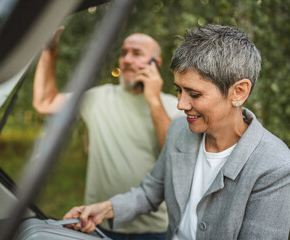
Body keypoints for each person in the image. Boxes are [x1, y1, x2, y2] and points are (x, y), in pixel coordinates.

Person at [62, 24, 290, 240]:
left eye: (194, 94)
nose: (181, 104)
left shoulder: (275, 166)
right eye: (179, 90)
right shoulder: (180, 129)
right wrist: (105, 209)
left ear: (238, 92)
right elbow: (149, 192)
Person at [33, 28, 183, 239]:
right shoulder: (98, 97)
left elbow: (174, 155)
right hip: (100, 223)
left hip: (154, 229)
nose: (127, 59)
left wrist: (153, 100)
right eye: (123, 53)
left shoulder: (176, 106)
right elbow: (44, 102)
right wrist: (49, 51)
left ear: (155, 64)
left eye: (137, 53)